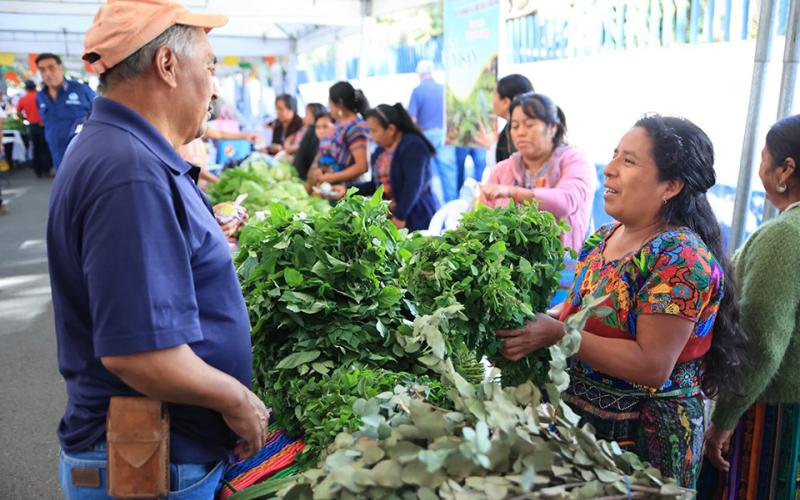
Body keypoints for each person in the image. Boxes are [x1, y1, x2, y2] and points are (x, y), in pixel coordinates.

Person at [49, 1, 269, 498]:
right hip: (150, 460)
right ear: (167, 66)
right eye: (210, 67)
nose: (215, 87)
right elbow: (139, 354)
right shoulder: (128, 170)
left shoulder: (126, 152)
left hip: (160, 454)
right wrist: (237, 400)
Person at [495, 115, 745, 489]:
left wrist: (556, 334)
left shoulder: (680, 258)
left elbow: (652, 365)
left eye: (628, 161)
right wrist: (528, 321)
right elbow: (576, 317)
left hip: (644, 440)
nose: (609, 170)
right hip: (582, 425)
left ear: (671, 186)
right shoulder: (603, 239)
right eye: (614, 156)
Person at [701, 115, 800, 499]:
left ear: (785, 169)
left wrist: (724, 419)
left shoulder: (783, 239)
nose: (760, 167)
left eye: (763, 157)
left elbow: (760, 341)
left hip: (773, 418)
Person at [480, 92, 596, 251]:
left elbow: (566, 201)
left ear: (552, 128)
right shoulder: (502, 170)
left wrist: (513, 192)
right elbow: (484, 221)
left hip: (565, 267)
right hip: (510, 269)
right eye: (515, 126)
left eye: (529, 125)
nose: (520, 132)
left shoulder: (575, 160)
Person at [330, 103, 440, 231]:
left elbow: (414, 184)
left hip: (415, 217)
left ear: (391, 129)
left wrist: (400, 216)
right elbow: (376, 185)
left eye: (374, 131)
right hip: (390, 216)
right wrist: (347, 190)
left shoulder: (413, 145)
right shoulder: (381, 151)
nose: (370, 136)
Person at [408, 59, 458, 203]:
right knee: (448, 173)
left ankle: (436, 207)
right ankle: (453, 207)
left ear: (420, 74)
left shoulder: (417, 91)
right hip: (445, 134)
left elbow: (412, 119)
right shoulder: (444, 89)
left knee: (428, 175)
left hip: (426, 136)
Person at [35, 53, 96, 172]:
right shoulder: (40, 97)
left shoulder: (81, 90)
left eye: (51, 67)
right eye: (42, 70)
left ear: (61, 67)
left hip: (83, 154)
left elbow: (100, 114)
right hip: (57, 156)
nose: (47, 73)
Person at [307, 81, 370, 187]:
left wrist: (331, 177)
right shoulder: (338, 123)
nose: (329, 106)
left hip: (345, 190)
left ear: (339, 103)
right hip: (329, 187)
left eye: (330, 102)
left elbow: (362, 166)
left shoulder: (355, 127)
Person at [475, 74, 534, 166]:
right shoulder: (508, 130)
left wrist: (493, 146)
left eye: (494, 95)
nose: (492, 101)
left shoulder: (512, 134)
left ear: (506, 102)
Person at [17, 80, 52, 178]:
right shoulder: (41, 96)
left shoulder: (23, 99)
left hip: (32, 126)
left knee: (35, 148)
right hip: (44, 125)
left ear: (26, 88)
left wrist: (26, 118)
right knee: (45, 148)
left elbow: (19, 113)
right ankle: (46, 170)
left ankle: (37, 171)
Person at [292, 103, 327, 180]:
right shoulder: (305, 129)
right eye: (318, 127)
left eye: (325, 127)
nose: (321, 131)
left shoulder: (312, 130)